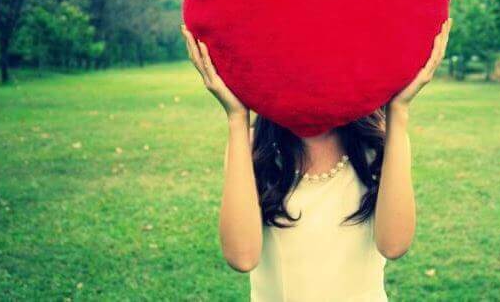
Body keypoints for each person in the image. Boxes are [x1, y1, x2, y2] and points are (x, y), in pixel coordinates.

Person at [180, 18, 452, 301]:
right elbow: (241, 256)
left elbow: (394, 245)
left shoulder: (380, 143)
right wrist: (237, 118)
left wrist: (399, 111)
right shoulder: (251, 147)